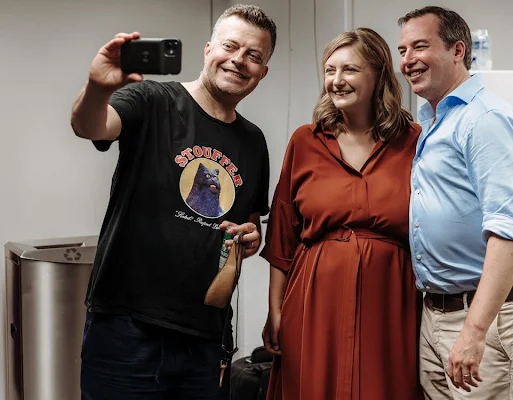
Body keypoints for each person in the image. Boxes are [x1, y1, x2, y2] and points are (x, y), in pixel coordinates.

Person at [69, 5, 277, 399]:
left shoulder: (254, 142)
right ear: (208, 49)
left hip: (203, 339)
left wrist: (250, 239)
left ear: (262, 72)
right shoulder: (152, 99)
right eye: (230, 46)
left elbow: (248, 228)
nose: (239, 60)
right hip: (126, 330)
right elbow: (90, 126)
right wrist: (98, 87)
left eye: (254, 55)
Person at [259, 27, 423, 400]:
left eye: (349, 70)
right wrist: (276, 312)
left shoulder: (414, 140)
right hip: (314, 302)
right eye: (330, 70)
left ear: (379, 74)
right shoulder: (306, 140)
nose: (336, 81)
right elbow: (282, 237)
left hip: (392, 305)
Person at [397, 6, 513, 400]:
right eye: (402, 51)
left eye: (419, 46)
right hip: (439, 312)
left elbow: (511, 231)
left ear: (458, 50)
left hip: (489, 316)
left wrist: (475, 330)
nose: (408, 60)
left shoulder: (485, 119)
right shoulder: (433, 118)